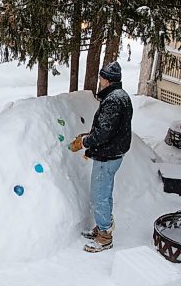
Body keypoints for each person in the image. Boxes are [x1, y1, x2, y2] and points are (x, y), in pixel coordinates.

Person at [68, 61, 133, 253]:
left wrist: (84, 143)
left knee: (99, 196)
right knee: (105, 193)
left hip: (108, 156)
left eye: (102, 77)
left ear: (109, 80)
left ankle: (104, 236)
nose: (100, 80)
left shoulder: (113, 100)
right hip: (113, 152)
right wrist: (89, 137)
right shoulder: (120, 96)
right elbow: (109, 129)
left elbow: (103, 133)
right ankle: (102, 227)